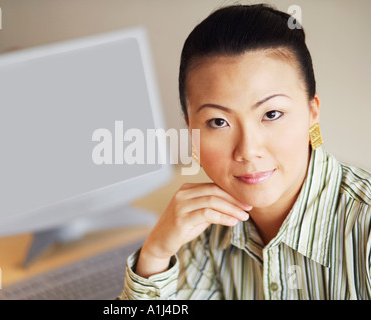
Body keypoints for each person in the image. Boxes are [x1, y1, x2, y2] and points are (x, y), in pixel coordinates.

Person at [120, 3, 371, 300]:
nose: (248, 150)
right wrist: (156, 252)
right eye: (218, 122)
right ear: (190, 129)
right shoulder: (202, 233)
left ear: (312, 111)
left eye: (272, 114)